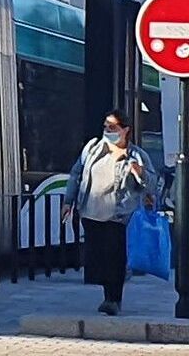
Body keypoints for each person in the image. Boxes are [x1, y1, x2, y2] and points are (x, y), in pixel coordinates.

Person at [62, 110, 159, 316]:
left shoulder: (137, 155)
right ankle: (107, 295)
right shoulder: (92, 148)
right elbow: (76, 174)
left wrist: (139, 172)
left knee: (115, 258)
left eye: (113, 127)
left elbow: (152, 184)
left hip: (120, 214)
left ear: (125, 130)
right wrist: (68, 201)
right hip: (91, 211)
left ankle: (113, 299)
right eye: (106, 126)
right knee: (99, 257)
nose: (108, 131)